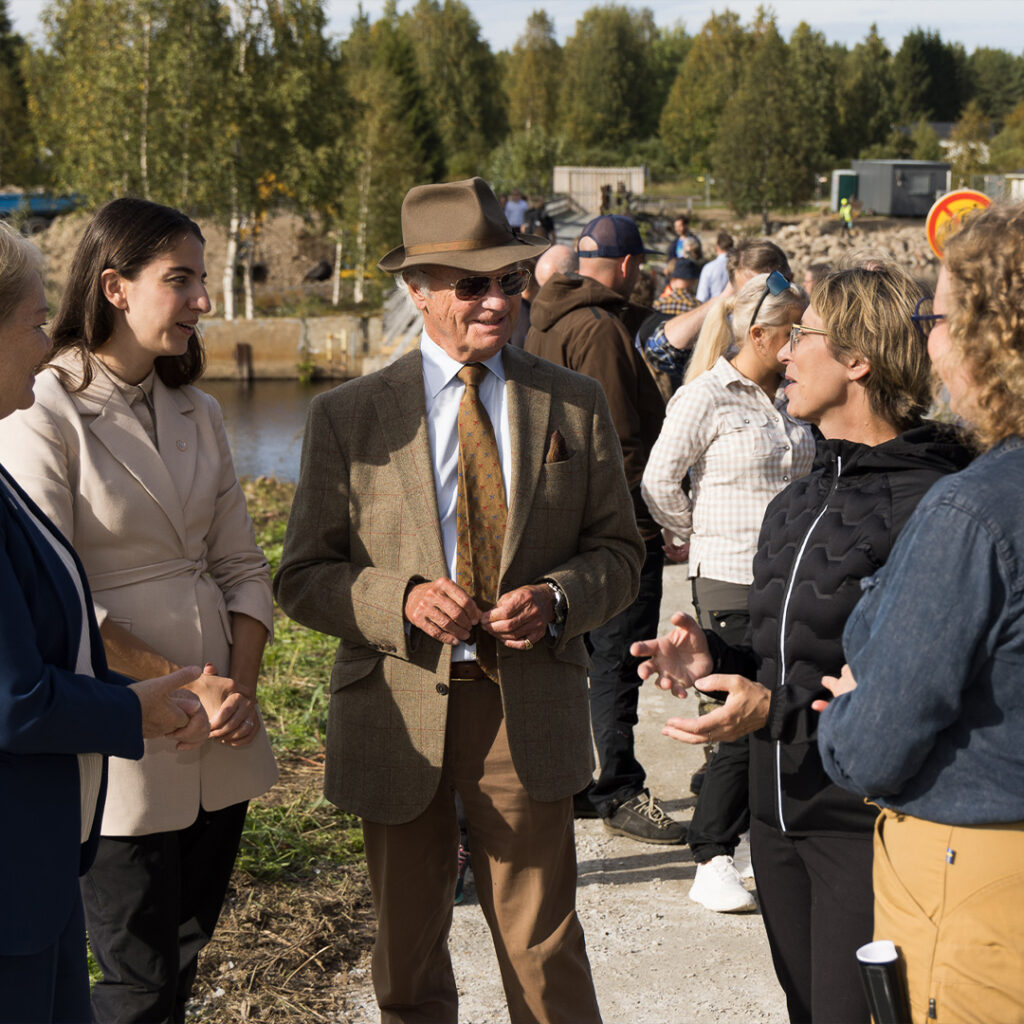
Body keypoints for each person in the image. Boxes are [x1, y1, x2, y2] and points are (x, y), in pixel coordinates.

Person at [274, 176, 644, 1024]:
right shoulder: (349, 417)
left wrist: (556, 596)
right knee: (406, 960)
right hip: (398, 712)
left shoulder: (572, 401)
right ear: (417, 291)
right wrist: (398, 599)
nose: (496, 301)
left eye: (508, 281)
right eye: (471, 284)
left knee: (545, 952)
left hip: (527, 707)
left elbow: (622, 556)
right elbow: (301, 576)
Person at [631, 263, 971, 1023]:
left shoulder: (937, 503)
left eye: (802, 337)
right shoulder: (799, 495)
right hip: (775, 822)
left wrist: (772, 712)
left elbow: (921, 701)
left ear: (858, 359)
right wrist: (717, 663)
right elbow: (793, 657)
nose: (782, 352)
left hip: (868, 831)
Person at [0, 197, 278, 1023]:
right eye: (181, 279)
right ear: (116, 287)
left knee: (185, 960)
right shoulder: (41, 408)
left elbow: (241, 564)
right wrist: (185, 687)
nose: (203, 300)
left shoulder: (203, 410)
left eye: (203, 278)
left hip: (218, 732)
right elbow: (57, 595)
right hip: (124, 738)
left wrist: (240, 690)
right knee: (134, 978)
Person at [817, 203, 1024, 1024]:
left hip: (973, 885)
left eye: (935, 316)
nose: (929, 342)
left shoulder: (971, 512)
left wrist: (847, 710)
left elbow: (872, 746)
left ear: (988, 334)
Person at [642, 272, 814, 913]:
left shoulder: (794, 395)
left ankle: (767, 846)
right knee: (735, 726)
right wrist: (693, 535)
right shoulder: (707, 396)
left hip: (792, 578)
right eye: (793, 330)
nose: (801, 341)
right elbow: (659, 480)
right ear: (761, 334)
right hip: (731, 579)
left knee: (780, 710)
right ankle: (711, 856)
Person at [526, 214, 685, 844]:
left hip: (556, 523)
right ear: (627, 266)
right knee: (617, 661)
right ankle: (617, 787)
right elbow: (620, 440)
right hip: (610, 531)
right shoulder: (598, 330)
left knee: (575, 660)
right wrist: (637, 530)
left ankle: (570, 783)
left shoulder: (541, 321)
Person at [644, 237, 790, 380]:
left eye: (768, 290)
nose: (759, 303)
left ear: (790, 281)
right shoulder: (729, 338)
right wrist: (725, 296)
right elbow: (659, 351)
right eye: (749, 294)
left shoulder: (804, 326)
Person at [696, 230, 733, 303]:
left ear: (717, 247)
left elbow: (702, 297)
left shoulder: (709, 267)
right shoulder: (739, 267)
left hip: (713, 309)